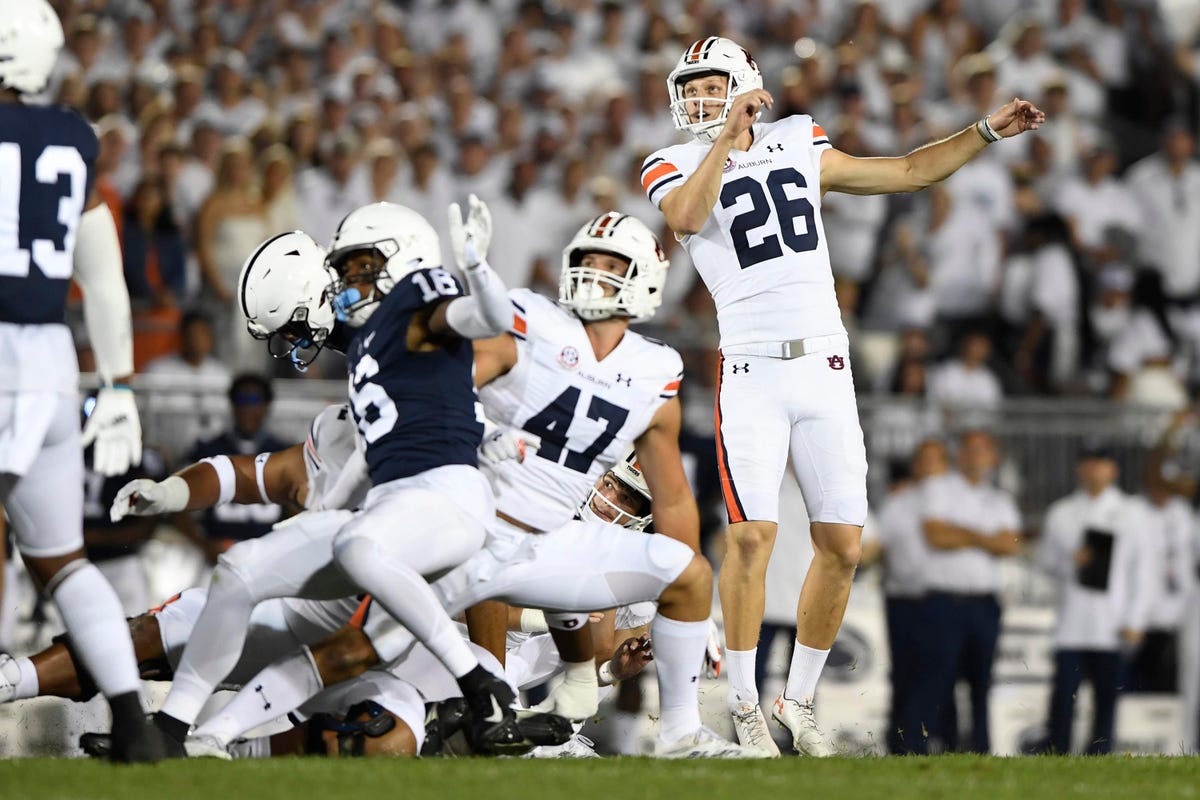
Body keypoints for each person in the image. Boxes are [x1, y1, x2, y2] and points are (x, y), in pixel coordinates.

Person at [642, 35, 1045, 755]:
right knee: (751, 536)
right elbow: (687, 218)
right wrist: (727, 138)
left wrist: (985, 132)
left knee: (842, 545)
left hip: (825, 363)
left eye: (710, 84)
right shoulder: (670, 161)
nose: (696, 98)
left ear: (742, 81)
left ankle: (797, 702)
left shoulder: (798, 137)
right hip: (751, 367)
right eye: (691, 87)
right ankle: (740, 705)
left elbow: (910, 170)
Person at [151, 199, 521, 754]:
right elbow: (370, 453)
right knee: (240, 568)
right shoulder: (366, 349)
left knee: (364, 563)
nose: (346, 282)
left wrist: (469, 413)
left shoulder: (419, 309)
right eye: (343, 269)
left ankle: (487, 682)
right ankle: (172, 731)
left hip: (461, 497)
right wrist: (316, 516)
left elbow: (495, 337)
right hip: (390, 507)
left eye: (357, 268)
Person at [0, 0, 172, 762]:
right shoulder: (72, 137)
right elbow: (103, 280)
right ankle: (135, 723)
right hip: (51, 358)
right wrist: (119, 385)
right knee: (63, 560)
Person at [1034, 444, 1148, 754]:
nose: (1094, 469)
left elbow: (1143, 571)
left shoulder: (1133, 512)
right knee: (1063, 696)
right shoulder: (1061, 512)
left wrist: (1135, 620)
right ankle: (1057, 751)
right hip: (1072, 623)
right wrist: (1071, 561)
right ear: (1079, 468)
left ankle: (1100, 753)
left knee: (1107, 698)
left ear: (1113, 470)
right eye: (1088, 462)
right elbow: (1044, 561)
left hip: (1112, 623)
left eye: (1101, 463)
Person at [915, 429, 1021, 754]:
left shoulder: (1000, 498)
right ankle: (941, 746)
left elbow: (1010, 544)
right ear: (959, 455)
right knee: (941, 679)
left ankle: (980, 748)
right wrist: (985, 538)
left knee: (981, 681)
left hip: (985, 603)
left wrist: (961, 532)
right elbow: (936, 536)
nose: (976, 455)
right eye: (970, 449)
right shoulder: (938, 488)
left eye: (983, 449)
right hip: (946, 600)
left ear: (993, 457)